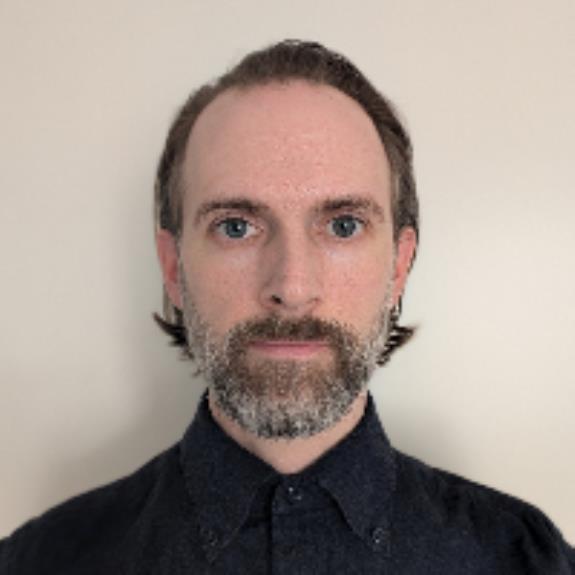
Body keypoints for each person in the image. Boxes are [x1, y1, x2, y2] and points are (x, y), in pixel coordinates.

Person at [0, 39, 573, 574]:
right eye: (236, 227)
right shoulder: (40, 562)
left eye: (343, 226)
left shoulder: (527, 559)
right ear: (173, 268)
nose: (292, 287)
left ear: (400, 265)